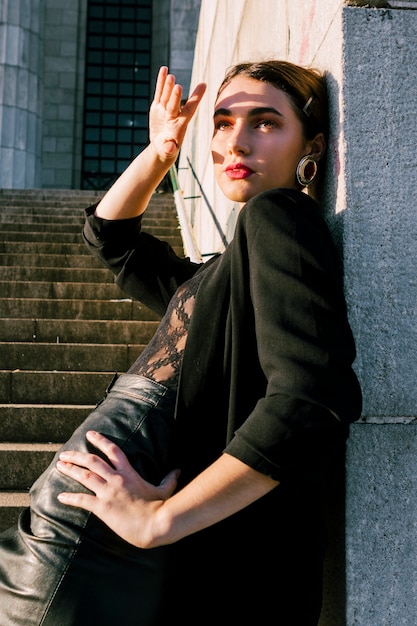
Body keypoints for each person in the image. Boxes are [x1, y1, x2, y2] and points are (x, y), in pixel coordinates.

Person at [0, 62, 361, 625]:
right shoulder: (227, 273)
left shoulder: (277, 214)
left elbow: (312, 399)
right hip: (105, 513)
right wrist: (161, 153)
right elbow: (112, 240)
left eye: (265, 122)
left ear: (312, 145)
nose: (234, 140)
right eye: (221, 123)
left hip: (112, 524)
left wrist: (161, 521)